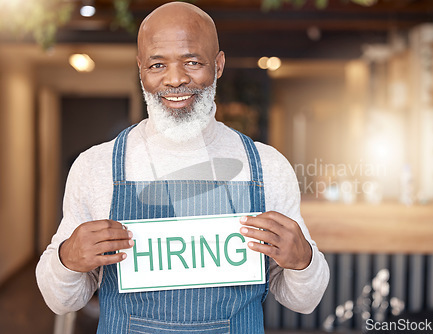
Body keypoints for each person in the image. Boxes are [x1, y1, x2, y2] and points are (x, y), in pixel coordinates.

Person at [36, 2, 329, 333]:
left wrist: (302, 260)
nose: (175, 79)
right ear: (140, 68)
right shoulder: (95, 167)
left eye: (192, 62)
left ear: (218, 65)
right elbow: (61, 301)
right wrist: (68, 259)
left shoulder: (267, 167)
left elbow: (303, 301)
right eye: (157, 64)